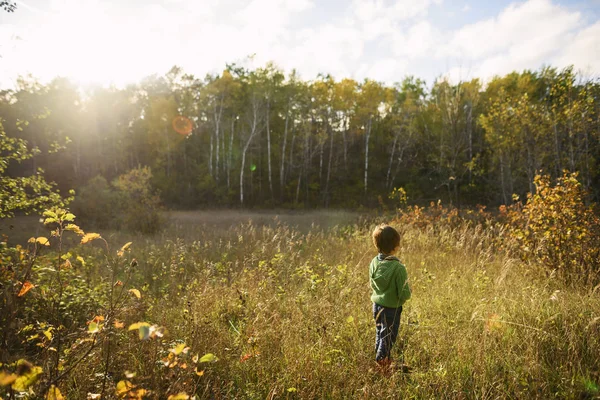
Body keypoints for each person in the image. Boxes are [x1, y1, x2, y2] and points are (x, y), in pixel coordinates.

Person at [369, 224, 411, 371]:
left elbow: (372, 284)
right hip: (392, 308)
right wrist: (406, 295)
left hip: (377, 305)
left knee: (380, 334)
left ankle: (380, 359)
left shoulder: (374, 262)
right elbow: (404, 293)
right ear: (395, 246)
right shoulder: (398, 268)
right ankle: (382, 363)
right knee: (388, 337)